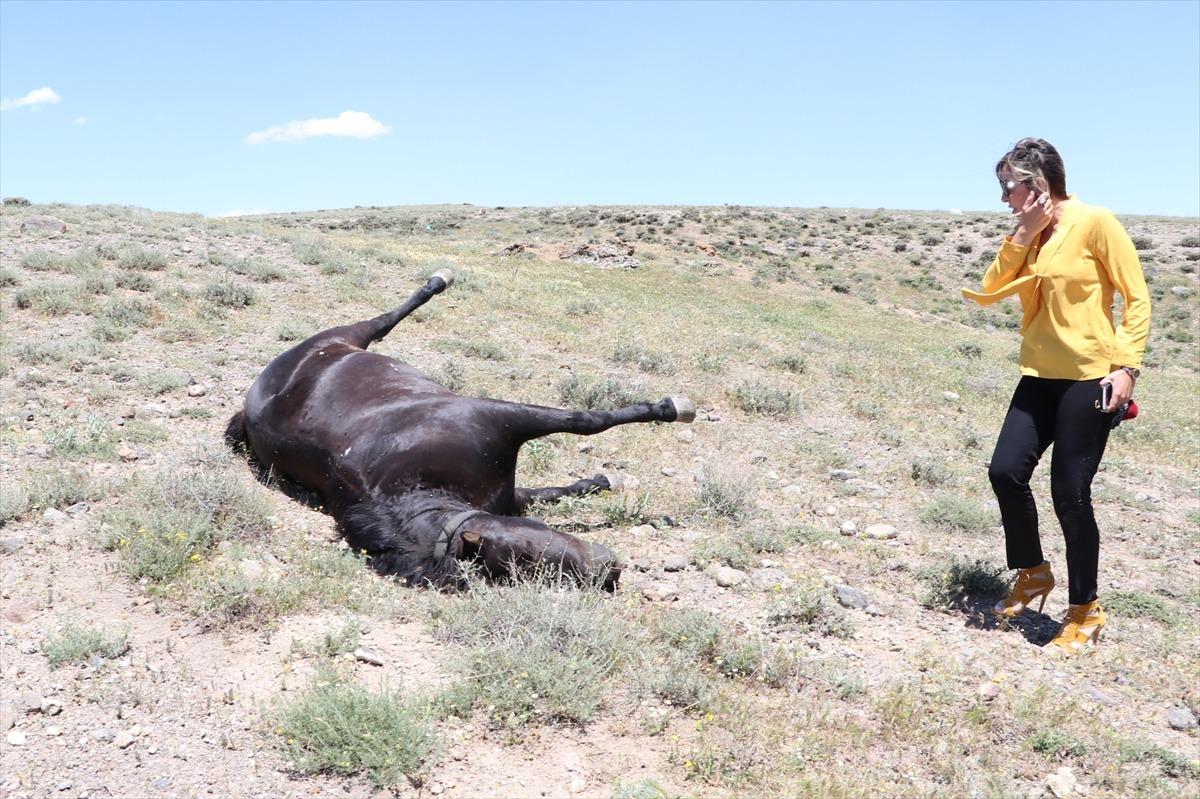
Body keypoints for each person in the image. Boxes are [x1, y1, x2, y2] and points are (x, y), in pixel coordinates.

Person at [961, 138, 1151, 655]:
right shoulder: (1030, 233)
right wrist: (1025, 234)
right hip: (1040, 374)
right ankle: (1033, 572)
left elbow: (1136, 298)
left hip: (1090, 377)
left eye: (1009, 186)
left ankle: (1085, 610)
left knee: (1070, 494)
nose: (1004, 197)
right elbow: (992, 286)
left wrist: (1127, 367)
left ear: (1036, 183)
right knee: (1005, 471)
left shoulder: (1096, 223)